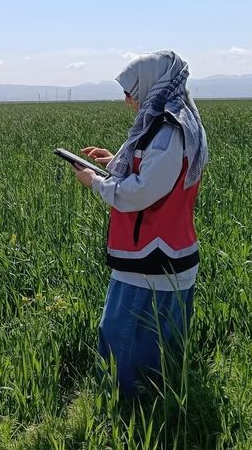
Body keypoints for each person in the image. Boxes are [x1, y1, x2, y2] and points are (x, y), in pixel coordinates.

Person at [70, 51, 208, 397]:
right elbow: (154, 170)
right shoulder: (167, 122)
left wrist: (96, 183)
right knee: (160, 342)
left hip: (152, 258)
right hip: (165, 254)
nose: (127, 99)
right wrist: (114, 161)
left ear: (151, 86)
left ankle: (128, 405)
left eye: (131, 91)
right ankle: (162, 398)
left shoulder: (168, 132)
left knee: (124, 339)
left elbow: (144, 190)